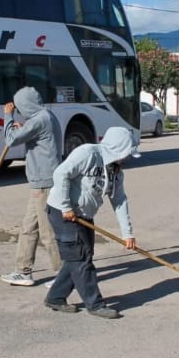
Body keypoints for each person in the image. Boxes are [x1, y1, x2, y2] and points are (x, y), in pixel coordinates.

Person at [44, 125, 141, 319]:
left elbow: (119, 200)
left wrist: (127, 233)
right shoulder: (87, 153)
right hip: (63, 212)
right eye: (126, 153)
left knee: (81, 256)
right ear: (116, 148)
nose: (127, 157)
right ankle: (95, 304)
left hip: (84, 216)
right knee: (80, 260)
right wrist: (66, 207)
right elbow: (60, 174)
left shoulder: (115, 171)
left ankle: (55, 297)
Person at [0, 86, 62, 287]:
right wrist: (20, 126)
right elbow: (27, 134)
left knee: (48, 232)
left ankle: (65, 274)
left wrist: (7, 118)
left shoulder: (41, 119)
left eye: (18, 107)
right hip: (39, 182)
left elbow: (10, 140)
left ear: (26, 105)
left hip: (45, 183)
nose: (17, 110)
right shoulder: (45, 116)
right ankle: (23, 271)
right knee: (28, 228)